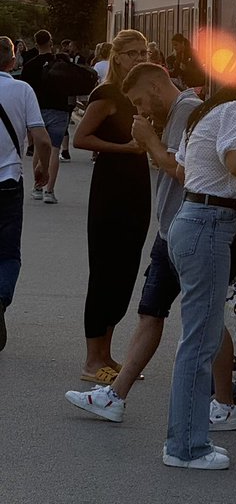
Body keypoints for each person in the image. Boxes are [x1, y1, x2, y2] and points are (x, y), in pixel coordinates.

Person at [65, 62, 201, 421]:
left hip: (184, 225)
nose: (140, 109)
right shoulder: (165, 109)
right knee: (150, 312)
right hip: (169, 226)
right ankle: (114, 394)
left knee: (197, 317)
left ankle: (221, 403)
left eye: (141, 100)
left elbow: (183, 169)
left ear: (156, 86)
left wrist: (149, 141)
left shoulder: (187, 111)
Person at [163, 63, 236, 470]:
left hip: (191, 220)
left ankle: (186, 438)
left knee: (197, 338)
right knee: (200, 342)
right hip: (208, 226)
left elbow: (182, 168)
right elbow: (235, 162)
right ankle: (187, 447)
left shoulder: (207, 111)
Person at [73, 30, 151, 382]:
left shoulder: (140, 95)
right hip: (111, 189)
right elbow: (81, 138)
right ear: (117, 56)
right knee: (105, 271)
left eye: (144, 52)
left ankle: (107, 353)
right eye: (132, 53)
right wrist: (127, 149)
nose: (139, 58)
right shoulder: (107, 95)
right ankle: (93, 360)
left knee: (124, 272)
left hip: (136, 188)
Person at [0, 37, 51, 349]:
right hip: (8, 181)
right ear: (12, 61)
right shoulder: (22, 90)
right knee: (7, 253)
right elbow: (43, 140)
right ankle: (1, 299)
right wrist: (41, 169)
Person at [20, 29, 70, 202]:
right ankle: (50, 191)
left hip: (38, 110)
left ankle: (37, 187)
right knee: (55, 149)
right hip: (59, 109)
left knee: (40, 149)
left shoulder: (30, 65)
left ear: (36, 44)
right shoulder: (61, 62)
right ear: (51, 42)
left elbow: (25, 89)